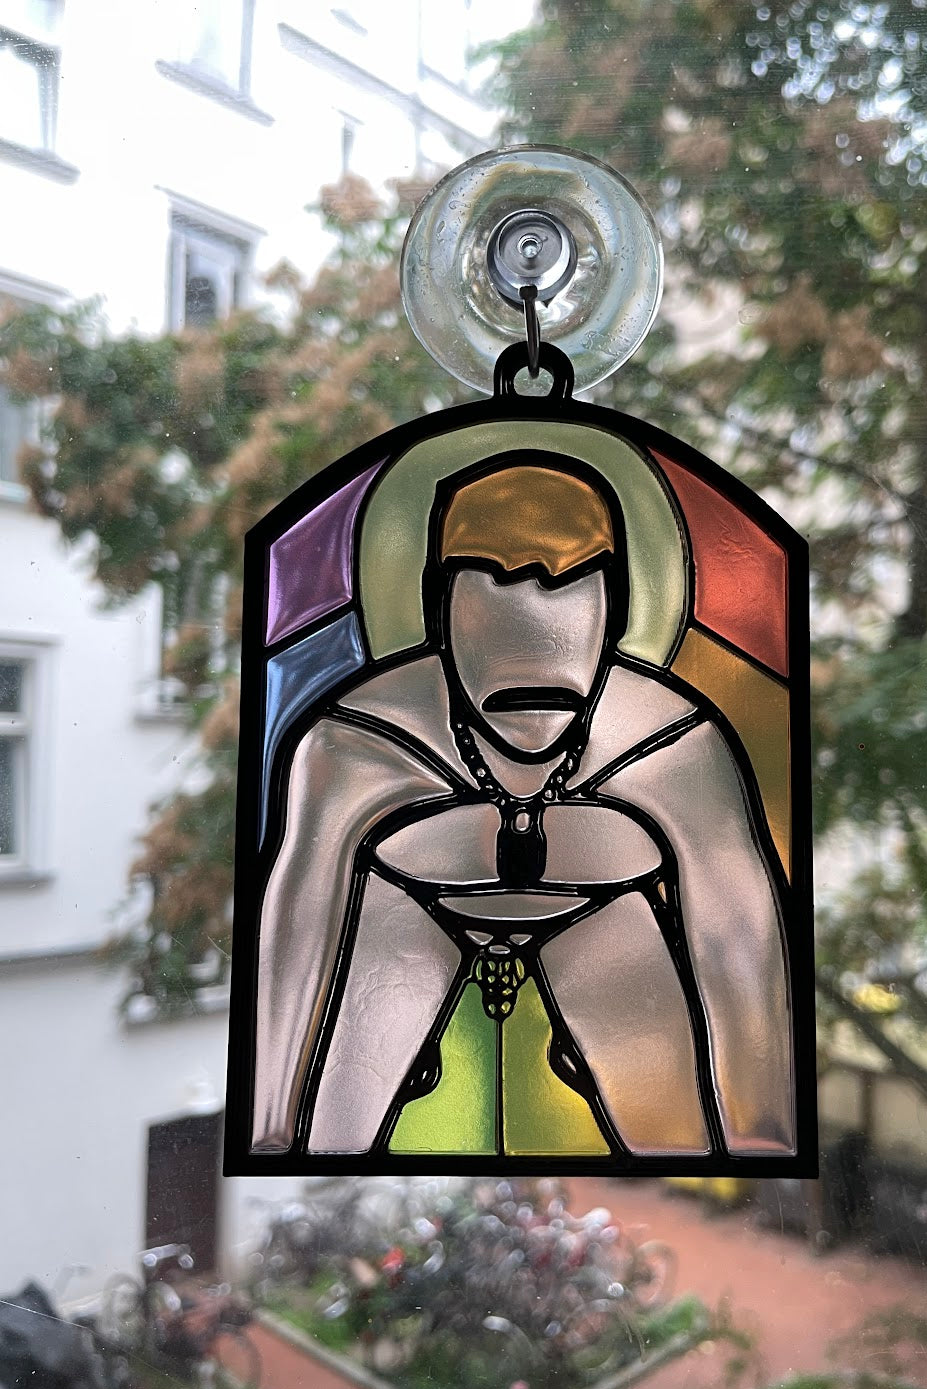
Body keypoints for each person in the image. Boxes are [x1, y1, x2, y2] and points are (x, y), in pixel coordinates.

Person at [251, 452, 795, 1160]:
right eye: (494, 596)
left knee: (676, 1126)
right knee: (331, 1126)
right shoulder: (356, 743)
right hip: (403, 926)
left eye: (568, 593)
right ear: (441, 613)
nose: (533, 640)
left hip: (602, 926)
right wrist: (272, 1126)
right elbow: (297, 927)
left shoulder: (674, 744)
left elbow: (739, 938)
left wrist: (759, 1131)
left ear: (613, 614)